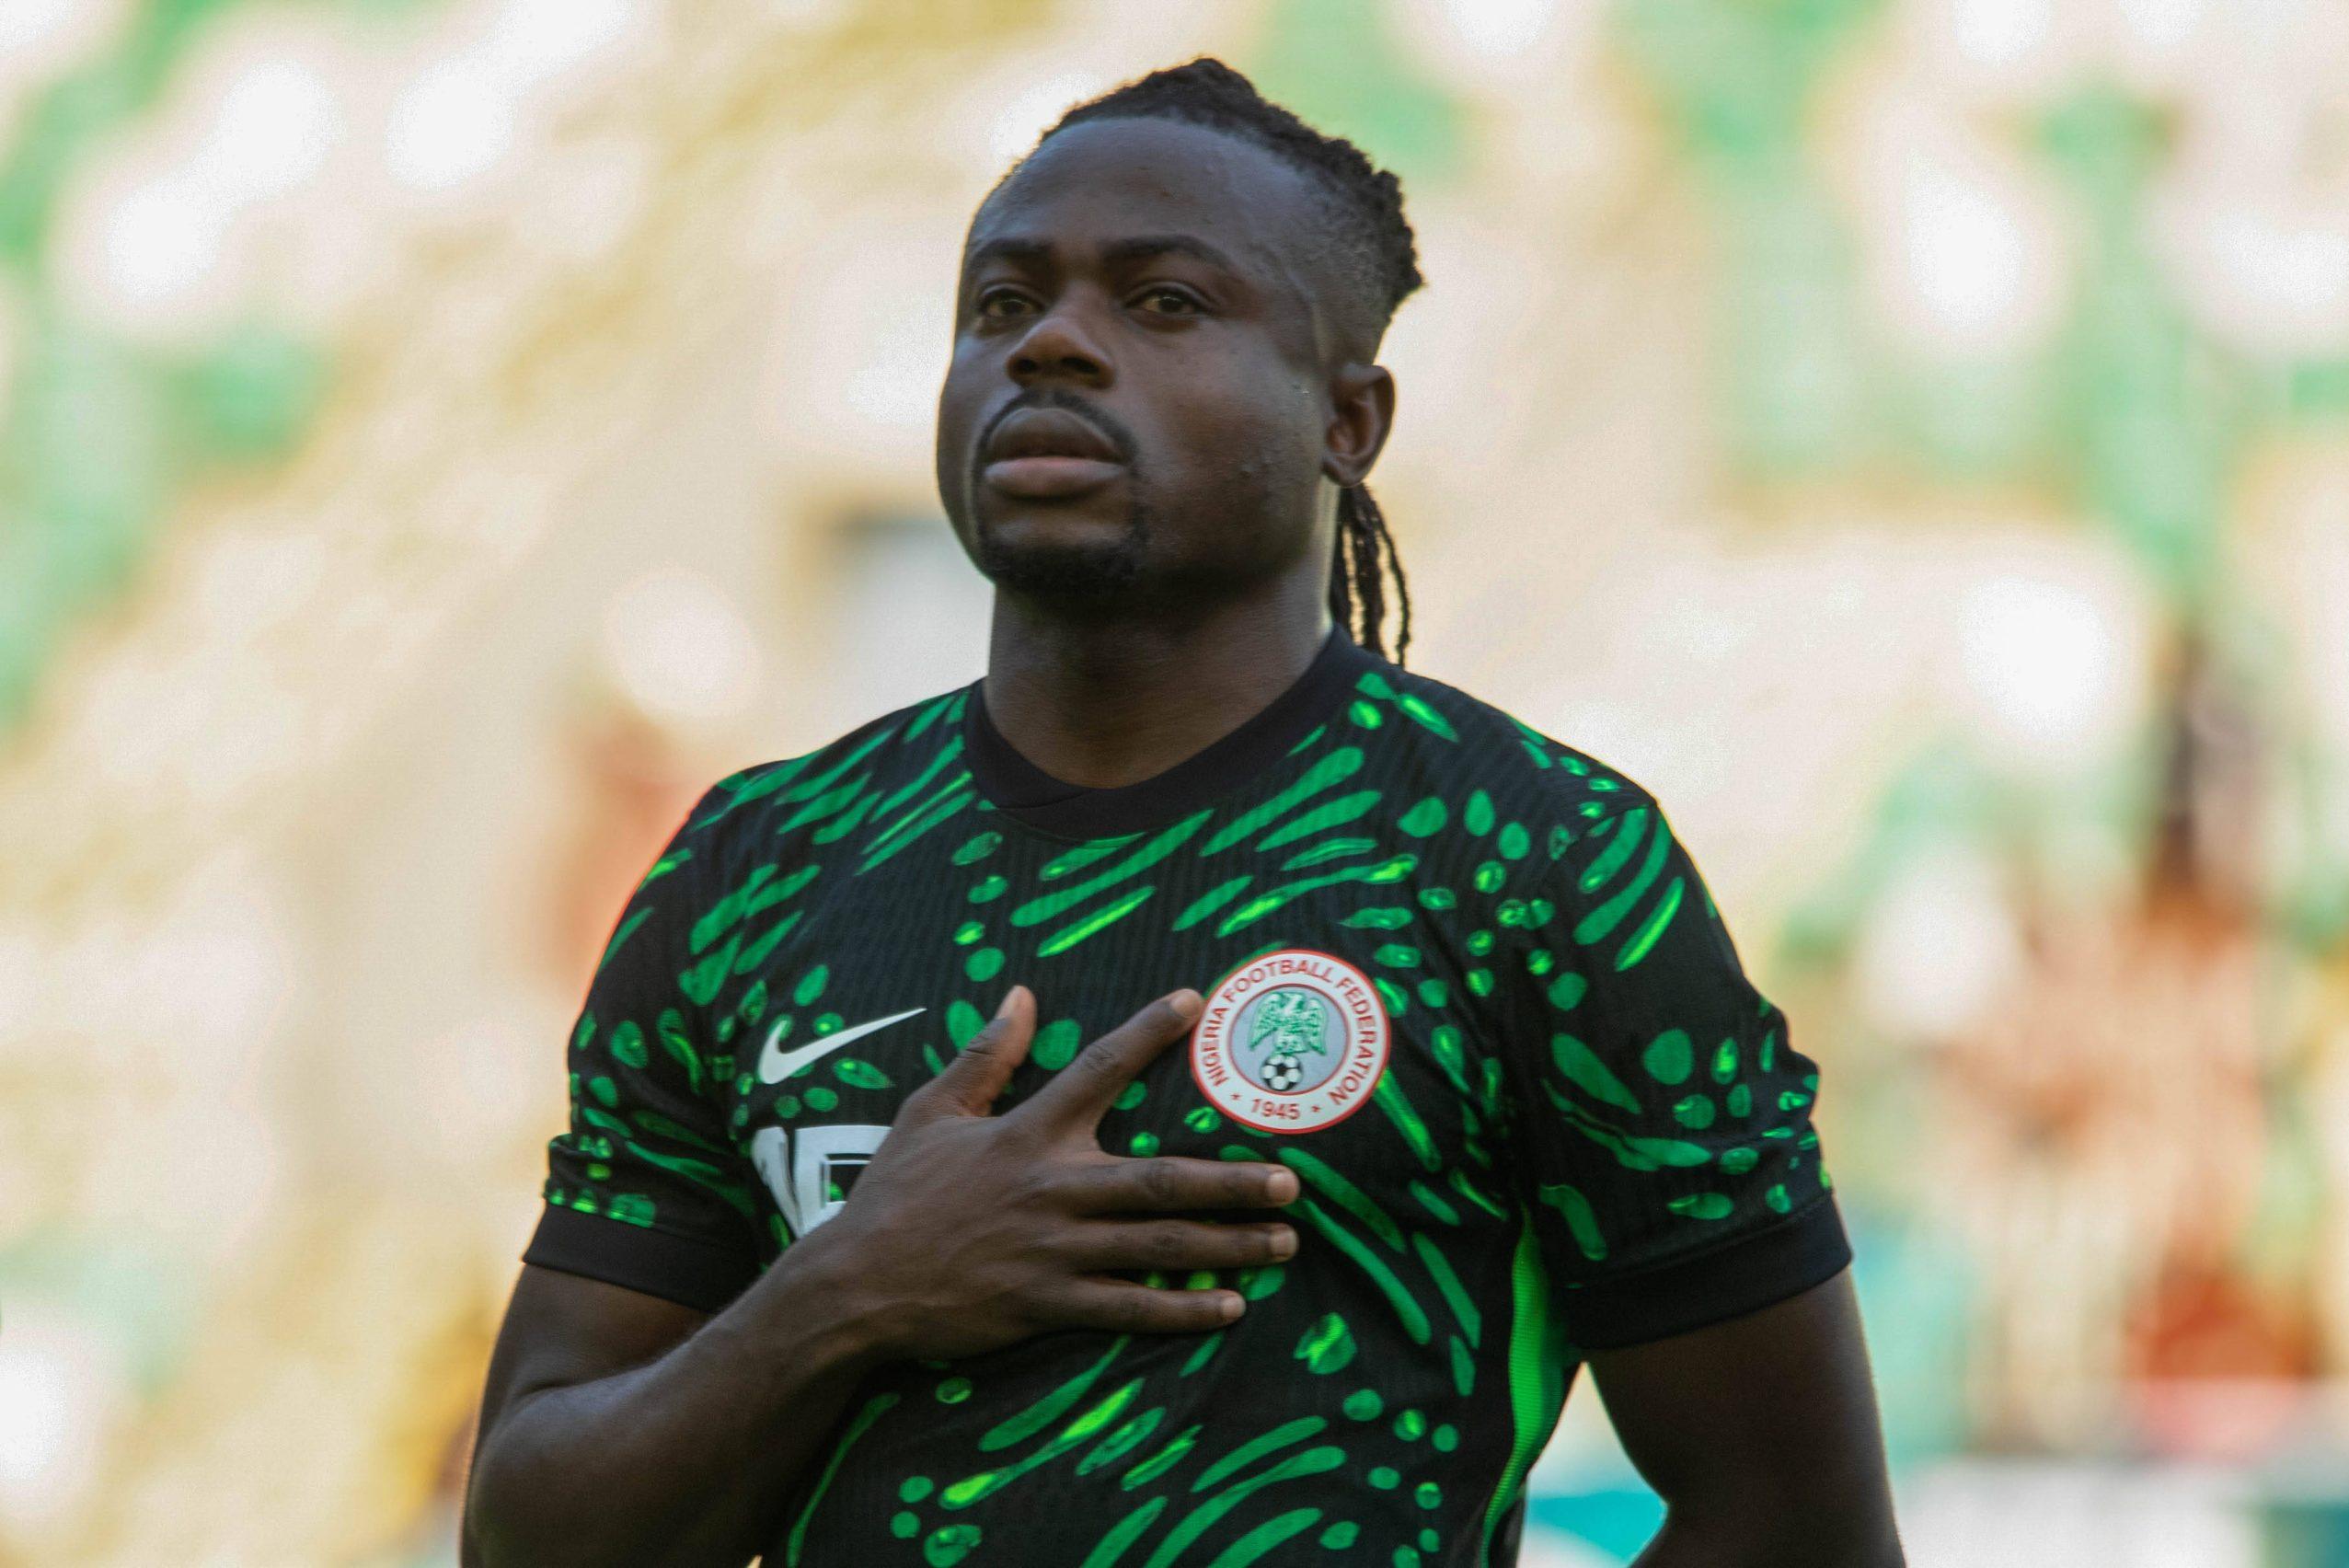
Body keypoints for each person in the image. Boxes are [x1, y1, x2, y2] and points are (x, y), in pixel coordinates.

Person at [461, 57, 1905, 1568]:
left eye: (1162, 303)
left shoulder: (1540, 861)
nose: (1050, 344)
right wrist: (850, 1290)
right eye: (1001, 303)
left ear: (1349, 418)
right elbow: (528, 1538)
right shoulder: (755, 871)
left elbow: (1798, 1528)